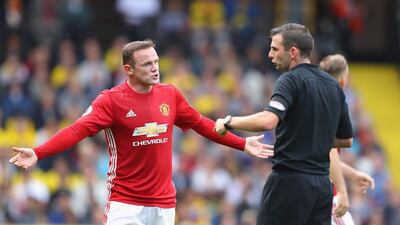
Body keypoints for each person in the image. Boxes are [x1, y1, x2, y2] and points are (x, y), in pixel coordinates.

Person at [9, 40, 274, 225]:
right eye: (147, 64)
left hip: (164, 204)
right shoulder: (110, 101)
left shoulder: (170, 94)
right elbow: (77, 131)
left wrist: (242, 144)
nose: (155, 68)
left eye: (156, 62)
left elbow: (201, 123)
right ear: (128, 70)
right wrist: (38, 152)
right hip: (125, 204)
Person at [214, 23, 353, 225]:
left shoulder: (289, 80)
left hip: (290, 183)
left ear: (293, 52)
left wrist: (229, 122)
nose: (270, 54)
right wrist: (313, 139)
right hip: (322, 187)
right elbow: (345, 139)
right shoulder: (334, 85)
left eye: (274, 49)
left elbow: (268, 120)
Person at [319, 53, 375, 225]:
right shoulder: (331, 108)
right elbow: (329, 151)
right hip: (325, 197)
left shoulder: (316, 104)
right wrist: (342, 192)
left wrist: (353, 174)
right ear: (343, 81)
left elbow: (322, 156)